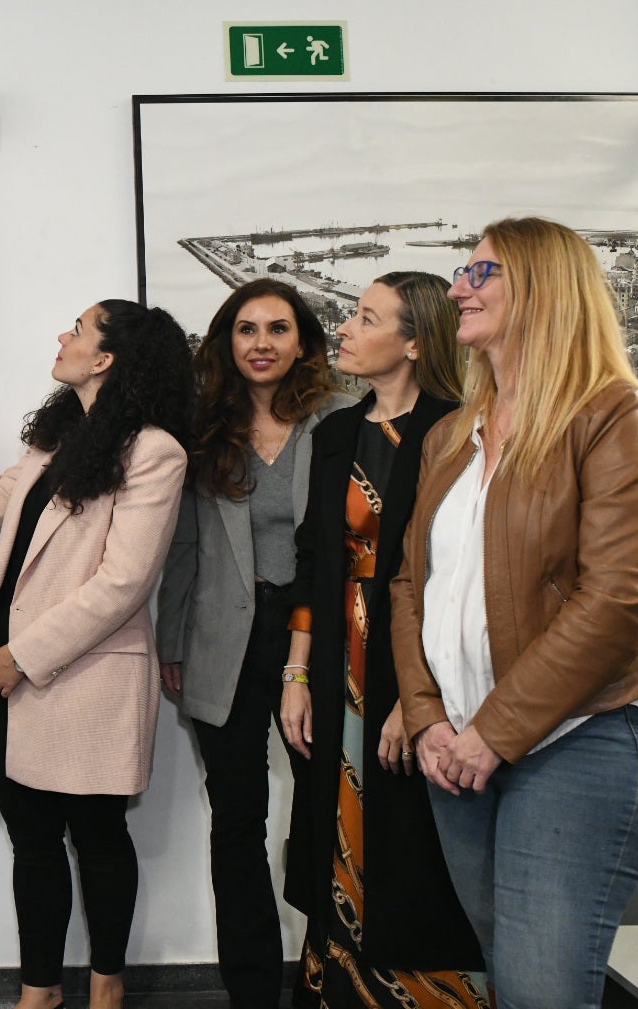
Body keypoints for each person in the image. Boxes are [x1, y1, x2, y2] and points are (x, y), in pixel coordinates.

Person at [390, 217, 638, 1008]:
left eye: (480, 274)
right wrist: (427, 719)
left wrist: (495, 732)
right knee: (511, 980)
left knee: (540, 993)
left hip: (586, 737)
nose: (457, 289)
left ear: (544, 289)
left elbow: (616, 601)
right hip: (459, 743)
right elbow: (410, 585)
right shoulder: (452, 434)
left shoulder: (617, 416)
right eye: (463, 272)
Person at [0, 299, 193, 1009]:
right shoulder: (56, 441)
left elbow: (125, 581)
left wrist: (26, 653)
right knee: (35, 842)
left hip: (81, 674)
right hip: (3, 671)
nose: (62, 336)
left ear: (107, 358)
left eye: (76, 330)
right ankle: (39, 992)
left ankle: (107, 985)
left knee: (99, 836)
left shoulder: (154, 451)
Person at [278, 273, 485, 1006]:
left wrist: (419, 699)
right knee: (332, 811)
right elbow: (310, 560)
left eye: (366, 318)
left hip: (414, 658)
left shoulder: (456, 430)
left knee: (411, 838)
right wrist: (295, 676)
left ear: (413, 342)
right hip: (337, 656)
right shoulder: (336, 432)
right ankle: (337, 985)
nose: (345, 328)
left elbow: (456, 573)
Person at [153, 278, 348, 1007]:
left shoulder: (339, 421)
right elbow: (181, 547)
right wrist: (171, 637)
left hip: (318, 642)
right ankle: (254, 990)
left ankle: (331, 977)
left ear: (303, 342)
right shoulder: (204, 427)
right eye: (245, 329)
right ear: (225, 342)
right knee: (237, 824)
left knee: (330, 815)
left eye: (277, 329)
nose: (260, 343)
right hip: (219, 642)